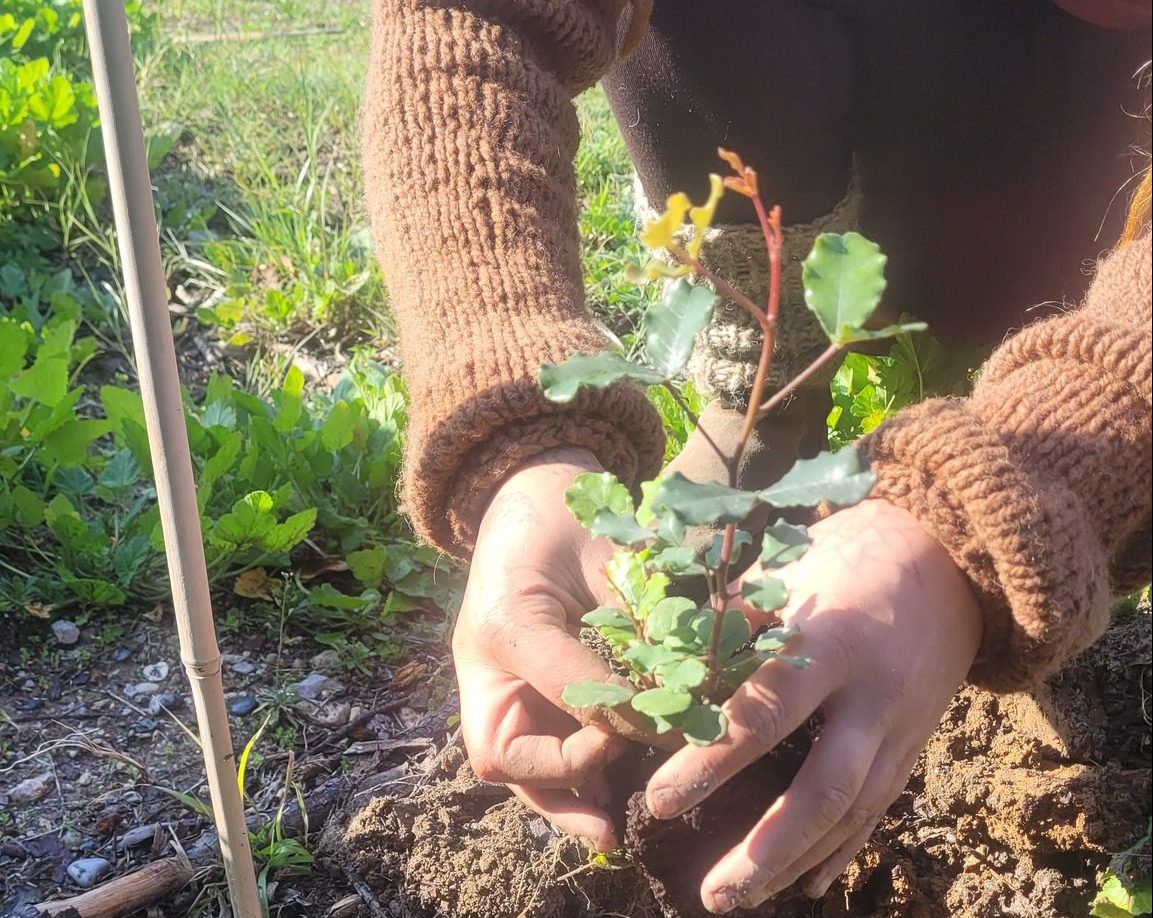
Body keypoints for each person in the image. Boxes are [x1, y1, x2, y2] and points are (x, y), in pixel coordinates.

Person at [361, 1, 1152, 912]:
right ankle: (759, 382)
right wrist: (518, 449)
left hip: (1086, 195)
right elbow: (468, 27)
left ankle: (971, 342)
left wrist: (990, 513)